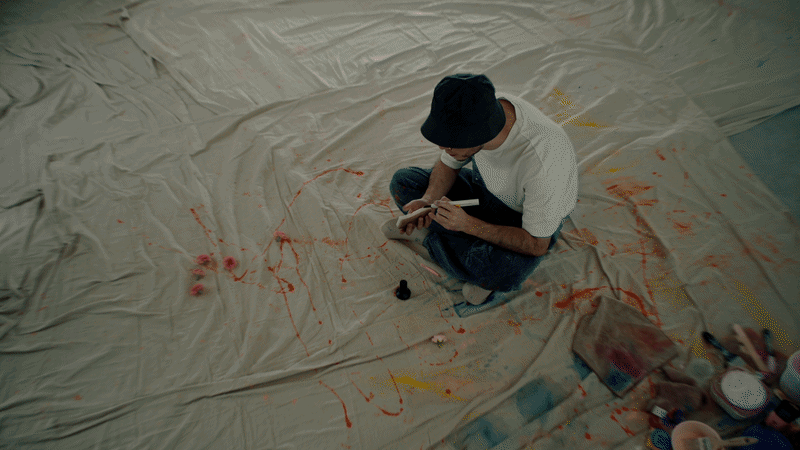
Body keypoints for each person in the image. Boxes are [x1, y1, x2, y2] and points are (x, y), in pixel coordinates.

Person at [382, 73, 578, 305]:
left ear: (481, 133)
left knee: (502, 269)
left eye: (451, 142)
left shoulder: (543, 163)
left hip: (523, 220)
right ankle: (463, 256)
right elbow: (448, 163)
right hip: (483, 189)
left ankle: (430, 240)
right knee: (404, 183)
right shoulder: (482, 108)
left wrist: (468, 225)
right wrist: (428, 200)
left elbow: (537, 244)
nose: (443, 147)